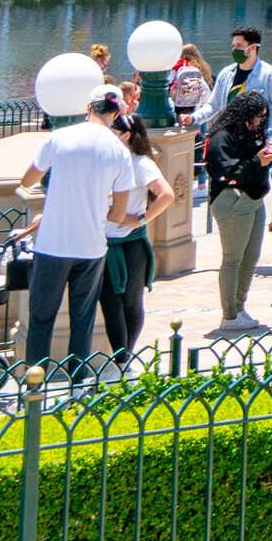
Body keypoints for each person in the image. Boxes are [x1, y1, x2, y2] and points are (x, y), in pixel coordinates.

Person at [17, 86, 151, 370]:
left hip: (53, 244)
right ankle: (77, 386)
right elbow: (117, 215)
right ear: (116, 114)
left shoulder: (60, 137)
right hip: (91, 248)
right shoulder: (120, 152)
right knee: (83, 320)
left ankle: (33, 389)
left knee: (41, 319)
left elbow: (27, 181)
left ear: (88, 108)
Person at [92, 106, 175, 365]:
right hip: (102, 244)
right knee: (109, 303)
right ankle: (120, 357)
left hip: (130, 244)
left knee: (130, 302)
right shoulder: (104, 162)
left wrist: (140, 219)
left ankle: (124, 358)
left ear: (126, 136)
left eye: (112, 131)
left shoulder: (140, 163)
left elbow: (167, 194)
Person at [203, 88, 272, 330]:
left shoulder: (252, 134)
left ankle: (239, 306)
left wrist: (267, 156)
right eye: (257, 116)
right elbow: (226, 172)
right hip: (233, 201)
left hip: (254, 199)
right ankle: (229, 315)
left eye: (262, 117)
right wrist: (258, 161)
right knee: (233, 258)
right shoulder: (222, 137)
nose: (259, 122)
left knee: (250, 258)